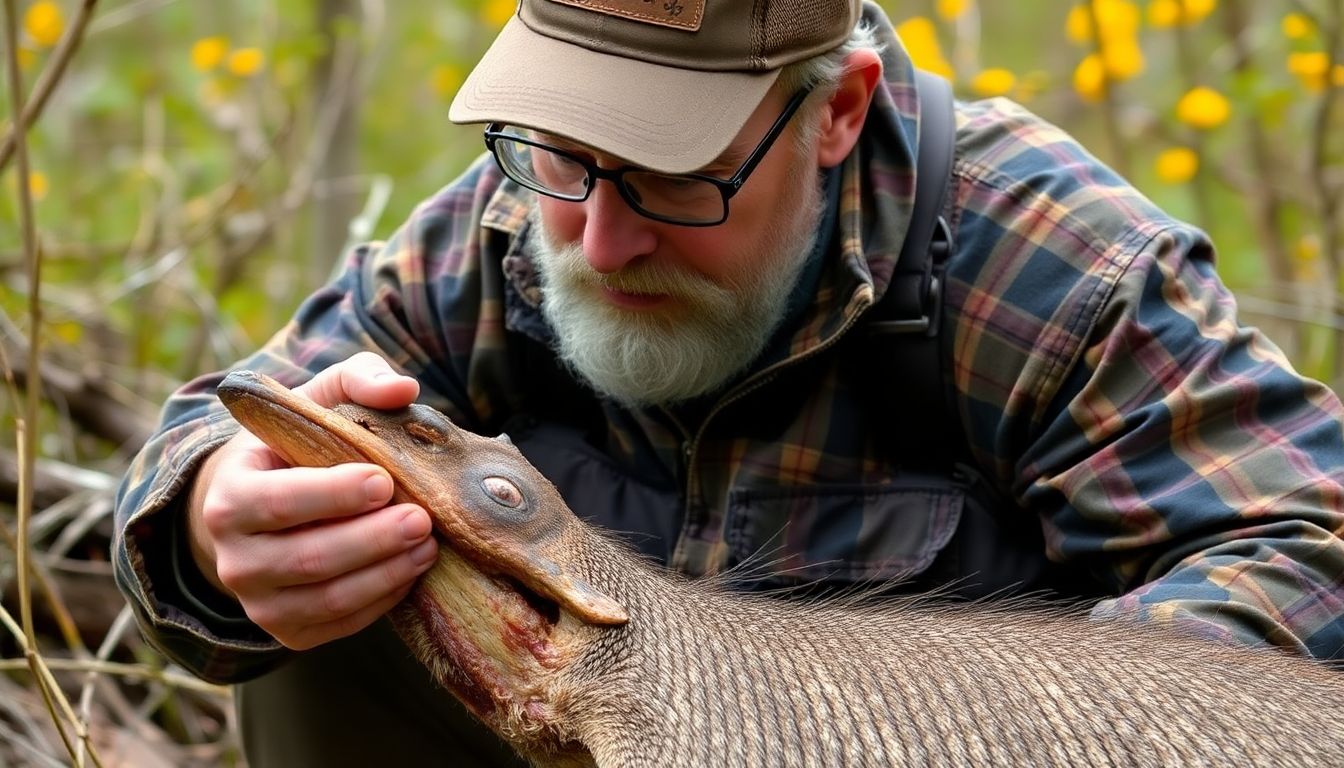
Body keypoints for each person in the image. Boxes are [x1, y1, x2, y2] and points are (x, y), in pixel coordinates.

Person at [114, 0, 1344, 765]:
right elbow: (212, 433)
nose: (599, 239)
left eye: (672, 176)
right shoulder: (501, 229)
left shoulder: (1048, 261)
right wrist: (221, 518)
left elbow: (1306, 547)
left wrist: (965, 725)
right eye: (563, 156)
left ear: (838, 112)